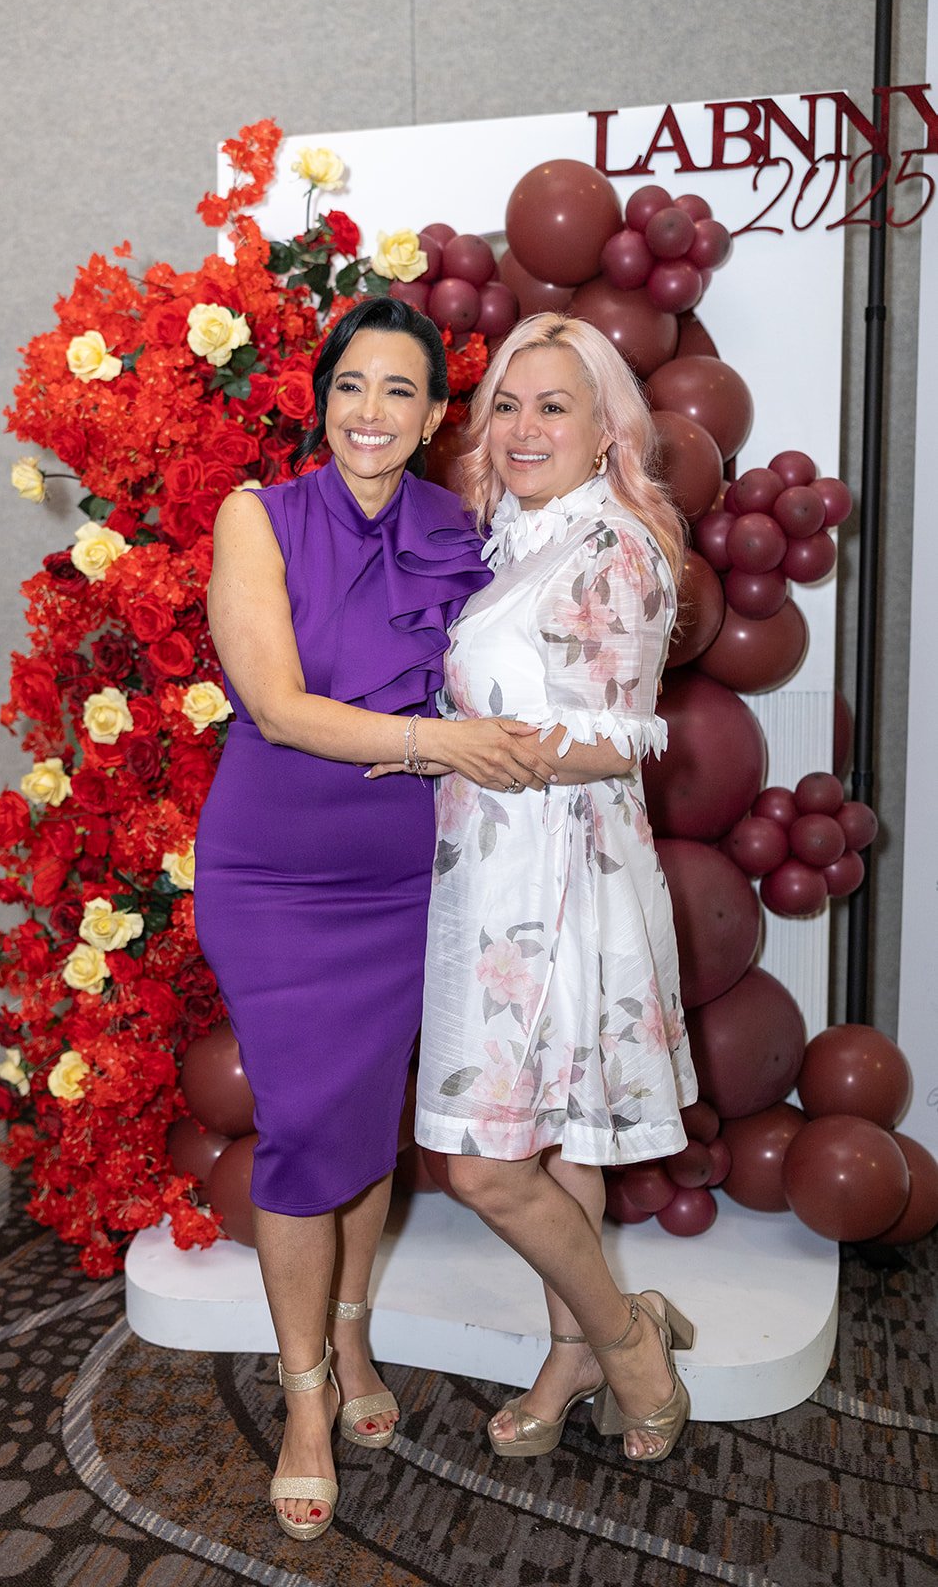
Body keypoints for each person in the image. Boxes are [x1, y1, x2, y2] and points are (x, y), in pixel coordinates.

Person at [194, 297, 554, 1541]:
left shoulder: (459, 527)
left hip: (407, 879)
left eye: (400, 389)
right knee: (305, 1125)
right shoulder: (259, 516)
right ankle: (303, 1400)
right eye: (350, 384)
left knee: (358, 1118)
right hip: (275, 875)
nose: (370, 411)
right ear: (321, 398)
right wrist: (439, 742)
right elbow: (278, 706)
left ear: (436, 411)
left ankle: (348, 1337)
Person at [413, 313, 699, 1464]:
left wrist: (447, 746)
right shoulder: (514, 538)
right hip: (496, 872)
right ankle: (574, 1350)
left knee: (484, 1165)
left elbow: (613, 743)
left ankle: (629, 1340)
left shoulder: (615, 545)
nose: (522, 428)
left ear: (603, 431)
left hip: (560, 885)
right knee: (557, 1144)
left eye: (552, 406)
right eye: (507, 406)